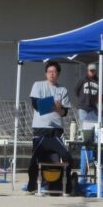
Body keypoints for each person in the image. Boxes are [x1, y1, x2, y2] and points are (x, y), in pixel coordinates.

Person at [27, 60, 72, 193]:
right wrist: (54, 105)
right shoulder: (38, 85)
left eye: (55, 72)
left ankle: (65, 185)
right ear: (46, 73)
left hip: (56, 131)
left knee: (66, 157)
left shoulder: (62, 90)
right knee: (35, 158)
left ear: (58, 74)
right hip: (40, 130)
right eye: (49, 72)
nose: (52, 74)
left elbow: (64, 112)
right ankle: (32, 184)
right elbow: (36, 105)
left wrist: (57, 108)